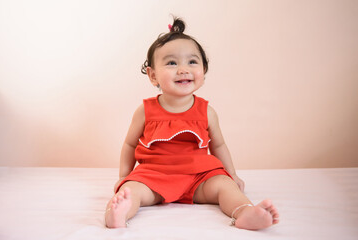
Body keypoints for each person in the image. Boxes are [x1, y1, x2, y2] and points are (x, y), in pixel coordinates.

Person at [105, 17, 279, 230]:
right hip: (155, 175)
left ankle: (245, 212)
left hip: (199, 177)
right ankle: (119, 214)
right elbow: (130, 145)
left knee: (225, 186)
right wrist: (124, 176)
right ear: (152, 75)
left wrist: (232, 174)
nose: (183, 69)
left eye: (192, 62)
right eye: (171, 63)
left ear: (203, 72)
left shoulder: (207, 111)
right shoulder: (145, 111)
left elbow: (219, 146)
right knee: (133, 190)